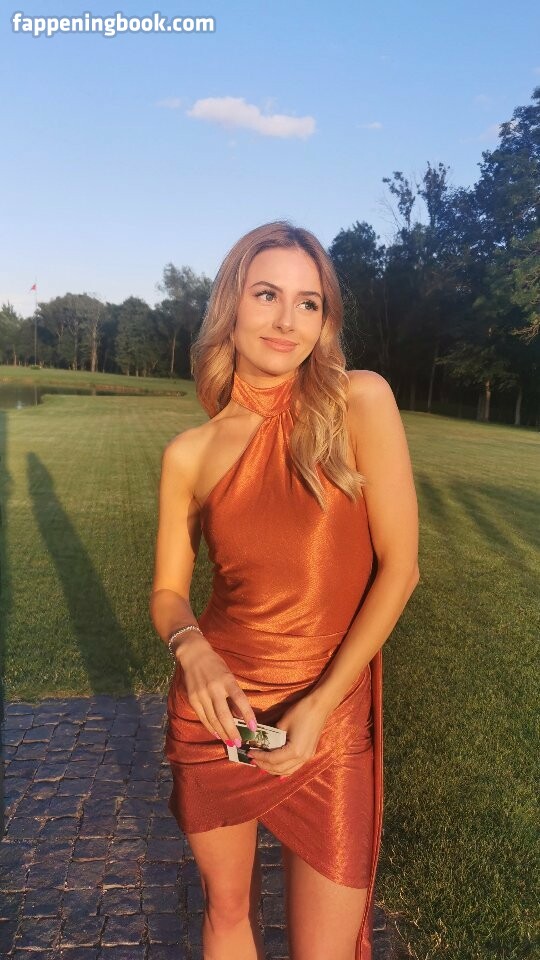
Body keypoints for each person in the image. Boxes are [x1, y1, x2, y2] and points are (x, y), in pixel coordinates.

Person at [149, 220, 419, 960]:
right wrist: (192, 650)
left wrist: (321, 705)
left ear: (325, 321)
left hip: (329, 718)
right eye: (267, 294)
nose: (286, 320)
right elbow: (168, 592)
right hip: (219, 715)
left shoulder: (358, 402)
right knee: (227, 913)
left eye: (309, 303)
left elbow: (401, 567)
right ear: (231, 306)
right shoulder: (191, 453)